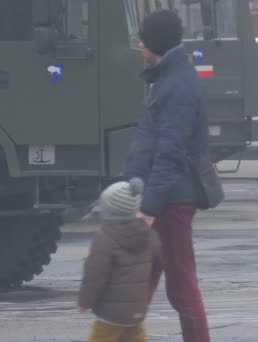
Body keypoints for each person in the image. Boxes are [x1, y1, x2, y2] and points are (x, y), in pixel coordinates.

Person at [122, 10, 211, 342]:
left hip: (171, 201)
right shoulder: (169, 78)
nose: (139, 45)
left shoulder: (177, 84)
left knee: (181, 285)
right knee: (140, 280)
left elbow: (170, 152)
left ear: (154, 42)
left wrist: (149, 207)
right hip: (162, 197)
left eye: (143, 39)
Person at [78, 178, 160, 342]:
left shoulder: (105, 239)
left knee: (101, 338)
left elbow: (95, 275)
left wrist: (85, 300)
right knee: (135, 336)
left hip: (111, 310)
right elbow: (157, 260)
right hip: (137, 307)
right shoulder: (148, 235)